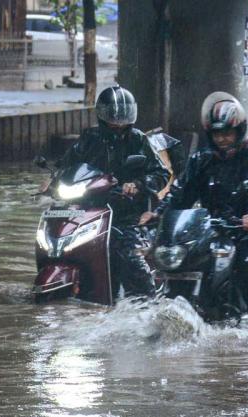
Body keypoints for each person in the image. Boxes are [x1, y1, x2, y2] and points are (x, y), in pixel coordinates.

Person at [139, 92, 248, 321]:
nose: (222, 139)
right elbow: (180, 191)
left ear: (238, 130)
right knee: (185, 255)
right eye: (217, 134)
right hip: (215, 225)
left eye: (227, 133)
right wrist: (157, 213)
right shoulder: (202, 159)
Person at [56, 85, 168, 297]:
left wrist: (138, 184)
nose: (118, 124)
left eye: (122, 119)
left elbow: (161, 174)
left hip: (125, 214)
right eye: (112, 119)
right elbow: (68, 165)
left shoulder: (139, 140)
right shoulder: (89, 138)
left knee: (131, 258)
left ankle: (146, 305)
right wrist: (53, 179)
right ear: (101, 115)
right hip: (88, 209)